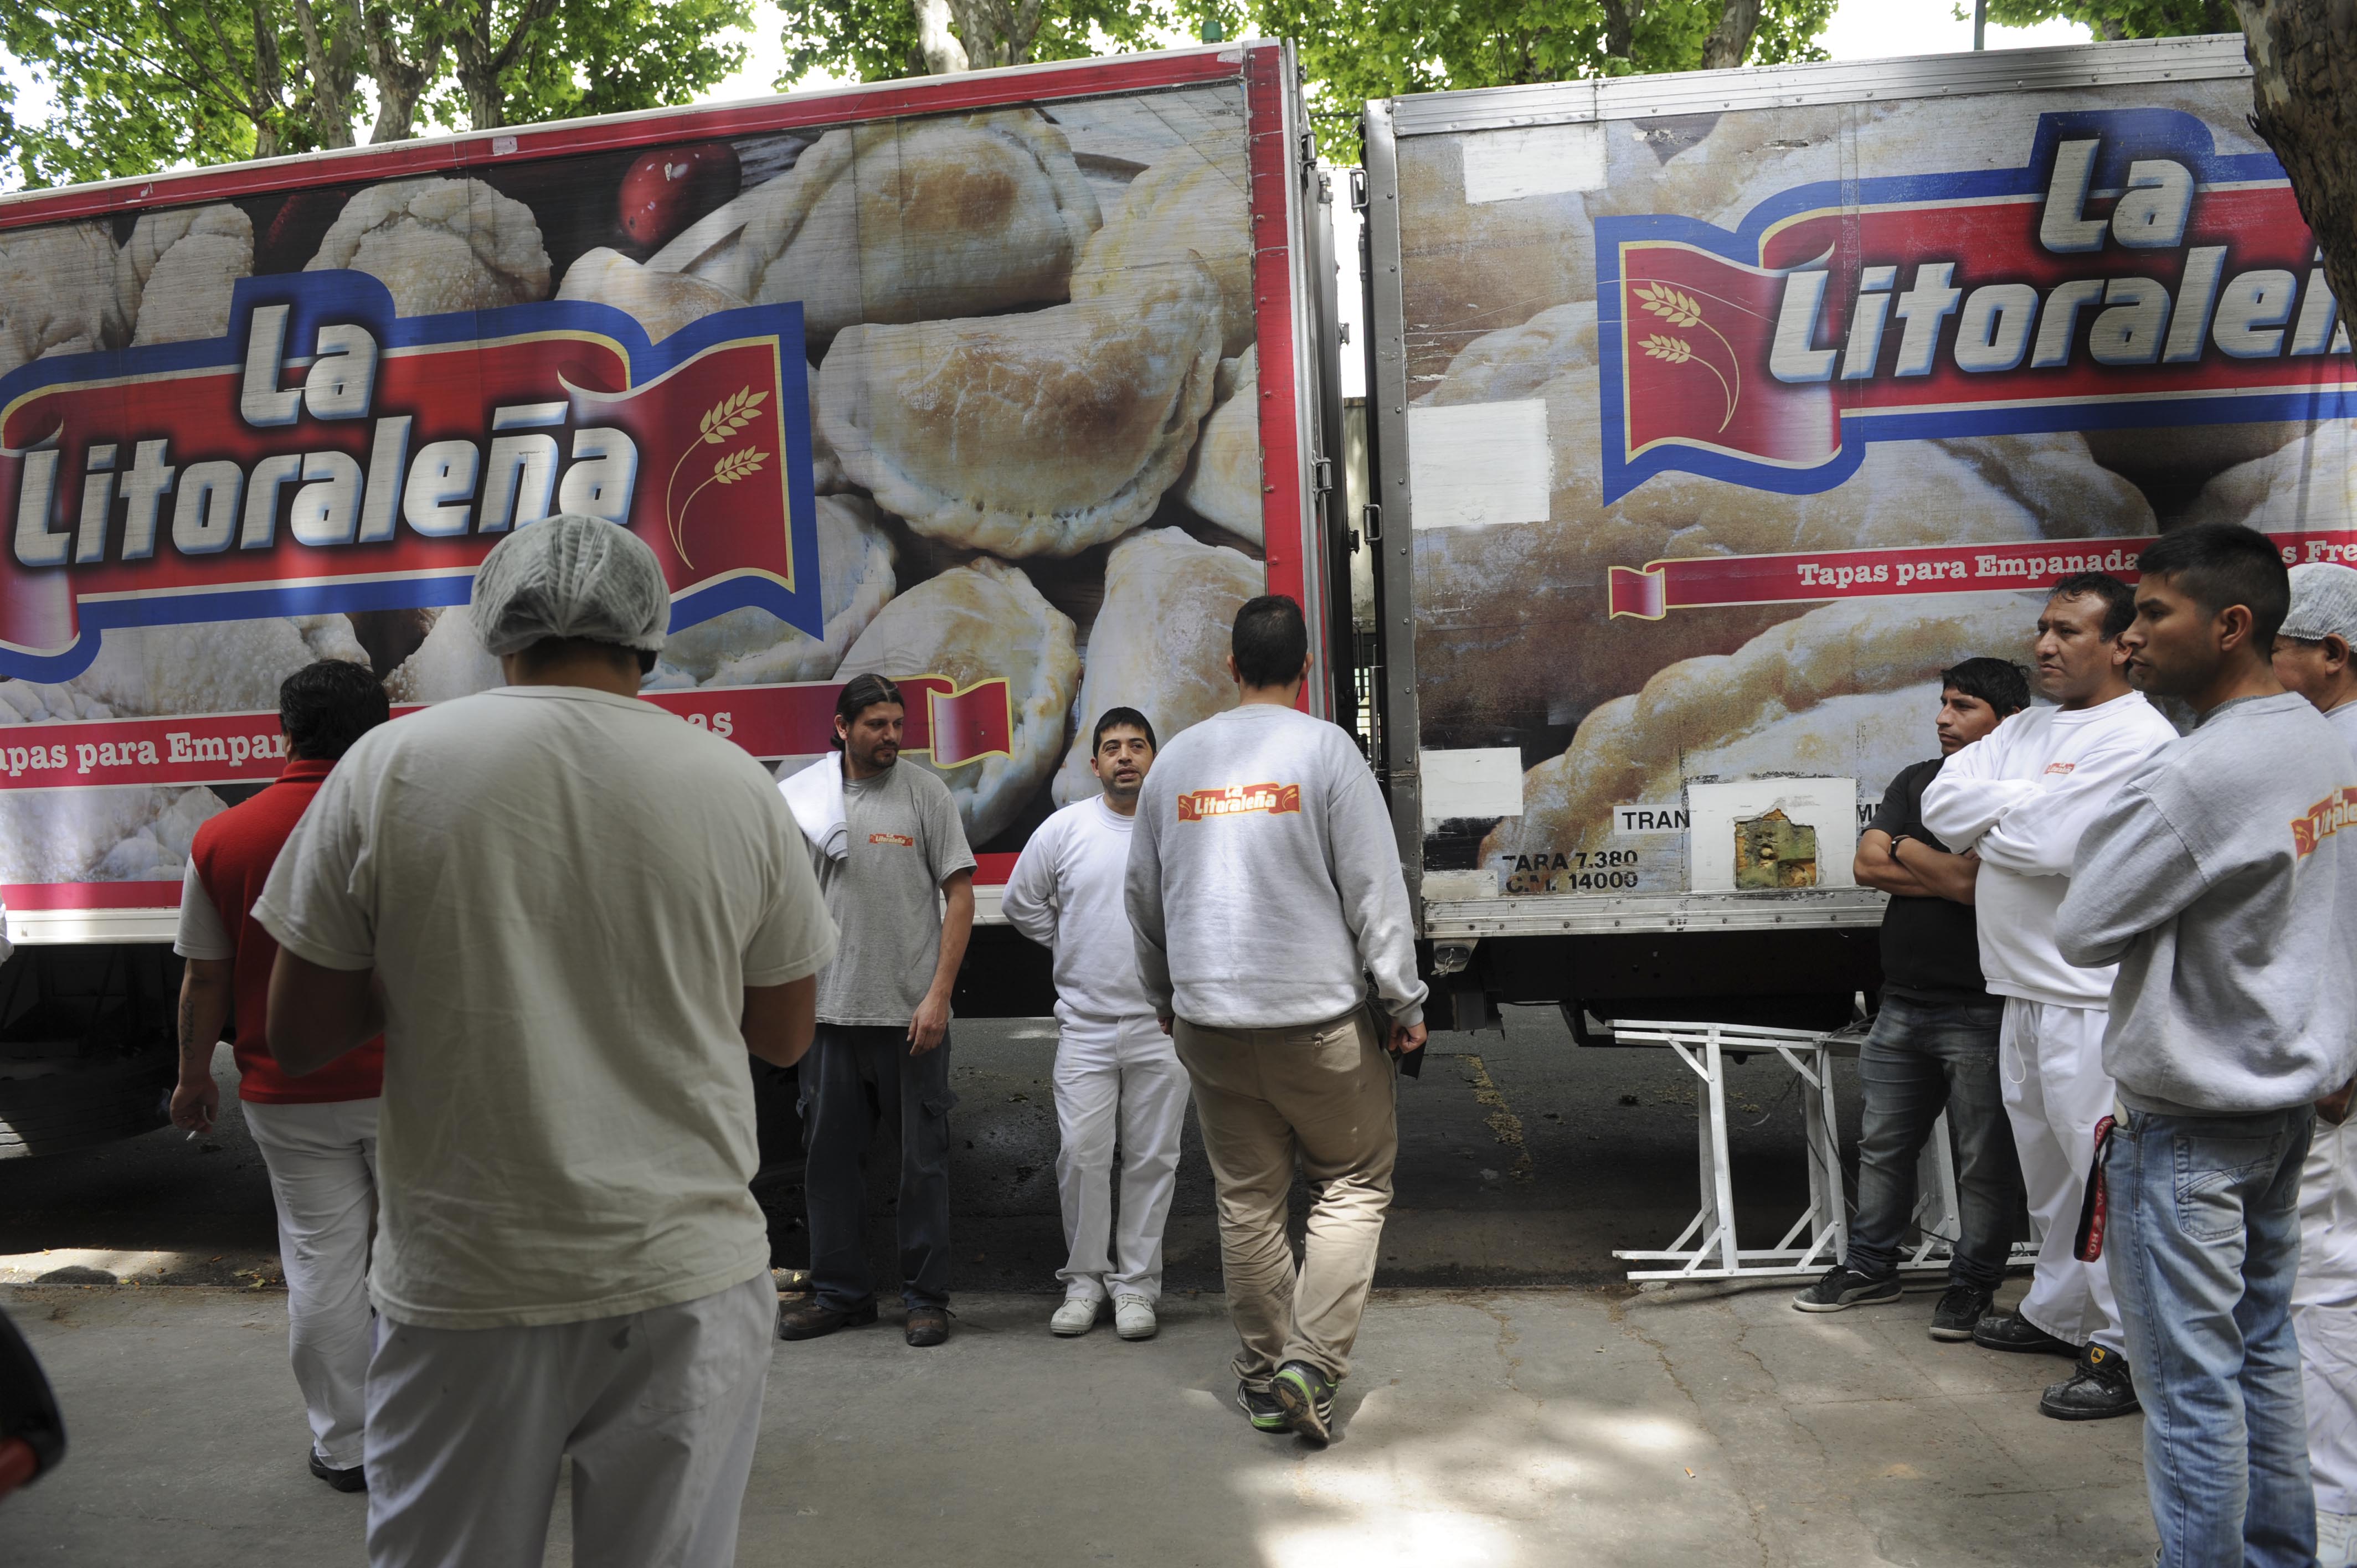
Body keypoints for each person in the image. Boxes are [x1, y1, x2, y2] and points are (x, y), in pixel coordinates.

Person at [255, 515, 836, 1568]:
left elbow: (297, 1037)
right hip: (684, 1274)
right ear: (648, 634)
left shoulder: (391, 765)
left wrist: (436, 958)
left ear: (494, 630)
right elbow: (786, 1035)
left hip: (469, 1275)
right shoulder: (737, 784)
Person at [2056, 523, 2357, 1568]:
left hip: (2189, 1126)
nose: (2130, 638)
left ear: (2231, 625)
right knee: (2263, 1354)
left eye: (2151, 613)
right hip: (2280, 1110)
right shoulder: (2321, 741)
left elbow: (2084, 922)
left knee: (2188, 1390)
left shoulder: (2199, 775)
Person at [1125, 595, 1427, 1446]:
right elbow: (1376, 892)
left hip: (1210, 1026)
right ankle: (1312, 1362)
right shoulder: (1327, 752)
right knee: (1354, 1183)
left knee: (1248, 1202)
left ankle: (1264, 1382)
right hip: (1318, 1026)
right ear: (1307, 669)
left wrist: (1163, 997)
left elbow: (1142, 903)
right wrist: (1402, 1001)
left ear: (1231, 665)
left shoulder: (1176, 762)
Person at [1921, 572, 2176, 1421]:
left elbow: (2059, 841)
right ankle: (2060, 1312)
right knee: (2050, 1177)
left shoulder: (2140, 738)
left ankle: (2124, 1351)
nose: (2044, 646)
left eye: (2068, 631)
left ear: (2120, 644)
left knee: (2104, 1181)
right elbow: (1940, 804)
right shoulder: (2024, 728)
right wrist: (2020, 813)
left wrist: (2009, 820)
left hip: (2090, 999)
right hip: (2022, 989)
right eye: (2043, 628)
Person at [169, 660, 390, 1493]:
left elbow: (206, 976)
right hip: (411, 1091)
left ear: (283, 732)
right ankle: (433, 1429)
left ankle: (345, 1448)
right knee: (423, 1263)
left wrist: (194, 1075)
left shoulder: (224, 837)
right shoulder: (409, 822)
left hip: (285, 1095)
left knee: (321, 1270)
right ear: (382, 725)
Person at [1795, 658, 2027, 1337]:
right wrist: (1932, 863)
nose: (1942, 718)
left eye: (1962, 707)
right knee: (1882, 1144)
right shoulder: (1915, 781)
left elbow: (1968, 884)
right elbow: (1868, 865)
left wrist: (1905, 847)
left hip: (1981, 1008)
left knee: (1983, 1159)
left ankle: (1972, 1286)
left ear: (2006, 720)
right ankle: (1870, 1266)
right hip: (1900, 1003)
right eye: (1943, 703)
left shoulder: (2017, 791)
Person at [778, 673, 977, 1349]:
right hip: (826, 1018)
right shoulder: (804, 801)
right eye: (876, 725)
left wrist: (939, 996)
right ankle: (841, 1294)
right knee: (826, 1164)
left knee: (921, 1166)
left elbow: (960, 898)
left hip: (908, 1021)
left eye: (897, 723)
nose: (892, 736)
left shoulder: (925, 794)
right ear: (841, 728)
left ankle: (926, 1300)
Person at [1003, 707, 1191, 1342]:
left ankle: (1136, 1288)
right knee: (1081, 1158)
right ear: (1094, 765)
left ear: (1152, 757)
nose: (1124, 757)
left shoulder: (1175, 830)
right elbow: (1019, 902)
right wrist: (1070, 942)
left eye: (1136, 746)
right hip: (1083, 1027)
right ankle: (1084, 1284)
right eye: (1111, 748)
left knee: (1151, 1160)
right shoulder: (1064, 829)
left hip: (1161, 1026)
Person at [2269, 561, 2357, 1568]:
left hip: (2335, 1079)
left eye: (2279, 649)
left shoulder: (2333, 762)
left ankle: (2333, 1512)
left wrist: (2338, 1058)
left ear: (2330, 654)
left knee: (2325, 1281)